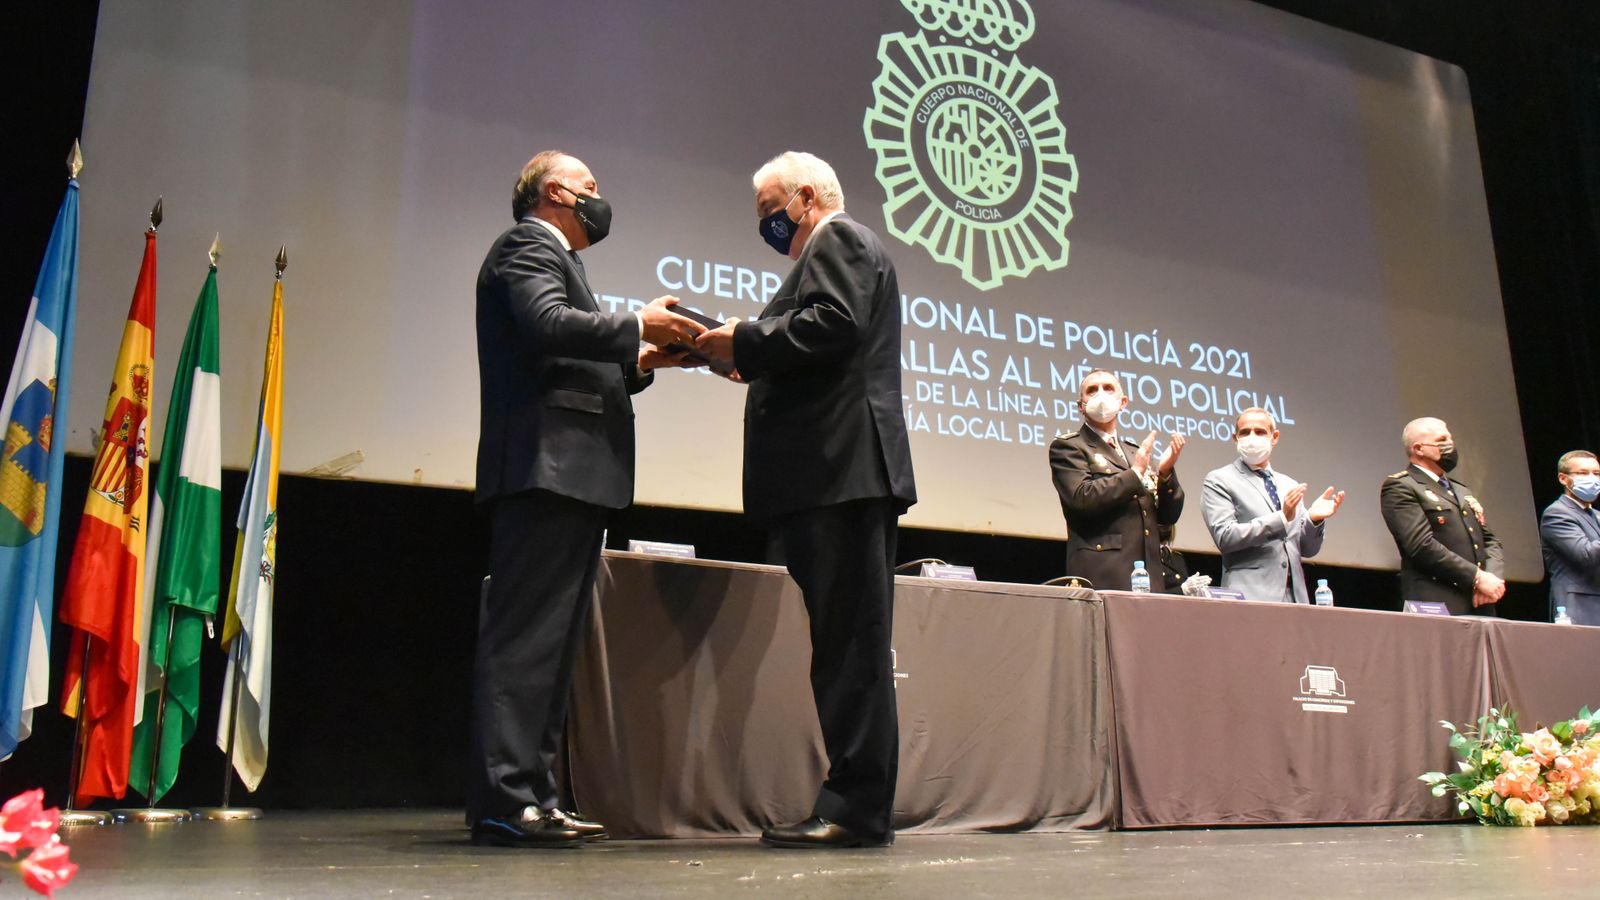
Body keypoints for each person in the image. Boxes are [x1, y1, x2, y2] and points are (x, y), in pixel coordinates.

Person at [468, 151, 704, 848]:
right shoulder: (525, 248)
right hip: (545, 469)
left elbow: (572, 355)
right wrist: (634, 326)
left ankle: (535, 795)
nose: (601, 200)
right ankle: (505, 801)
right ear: (555, 192)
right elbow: (545, 326)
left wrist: (640, 360)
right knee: (524, 645)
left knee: (555, 647)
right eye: (592, 189)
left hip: (573, 474)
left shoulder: (562, 261)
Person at [695, 151, 915, 849]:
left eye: (770, 210)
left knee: (851, 650)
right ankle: (856, 803)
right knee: (845, 648)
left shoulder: (840, 238)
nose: (766, 225)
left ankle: (856, 807)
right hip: (832, 480)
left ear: (809, 197)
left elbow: (832, 324)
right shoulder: (826, 252)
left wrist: (748, 340)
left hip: (844, 475)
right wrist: (739, 352)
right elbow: (816, 343)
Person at [1048, 370, 1185, 592]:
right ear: (1081, 406)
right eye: (1092, 390)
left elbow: (1168, 517)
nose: (1100, 394)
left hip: (1148, 575)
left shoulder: (1132, 451)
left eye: (1108, 388)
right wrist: (1136, 473)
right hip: (1104, 574)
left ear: (1123, 402)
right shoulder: (1069, 447)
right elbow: (1082, 498)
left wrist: (1166, 474)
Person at [1200, 408, 1345, 603]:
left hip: (1294, 598)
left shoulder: (1290, 485)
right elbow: (1225, 536)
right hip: (1250, 596)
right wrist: (1282, 517)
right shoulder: (1219, 480)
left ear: (1274, 437)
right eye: (1245, 432)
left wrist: (1314, 520)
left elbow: (1307, 549)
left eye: (1260, 432)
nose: (1252, 437)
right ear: (1235, 438)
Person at [1380, 417, 1505, 615]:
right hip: (1436, 600)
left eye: (1450, 438)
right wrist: (1476, 577)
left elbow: (1490, 541)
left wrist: (1491, 580)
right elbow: (1420, 545)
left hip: (1480, 600)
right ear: (1419, 449)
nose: (1450, 444)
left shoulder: (1460, 489)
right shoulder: (1402, 486)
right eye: (1442, 440)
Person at [1539, 450, 1600, 624]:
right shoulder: (1557, 513)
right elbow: (1586, 555)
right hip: (1579, 606)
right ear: (1563, 479)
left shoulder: (1596, 514)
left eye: (1596, 474)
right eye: (1582, 473)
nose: (1592, 478)